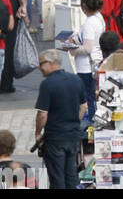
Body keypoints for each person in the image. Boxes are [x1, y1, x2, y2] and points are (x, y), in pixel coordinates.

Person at [33, 48, 87, 190]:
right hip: (73, 135)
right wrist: (75, 122)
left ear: (51, 63)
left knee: (57, 177)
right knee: (71, 175)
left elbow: (42, 114)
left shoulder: (47, 84)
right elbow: (84, 107)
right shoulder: (76, 79)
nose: (39, 68)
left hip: (55, 137)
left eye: (41, 64)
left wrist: (38, 133)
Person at [59, 0, 105, 121]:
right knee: (91, 96)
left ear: (84, 5)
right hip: (94, 62)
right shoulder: (99, 18)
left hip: (86, 66)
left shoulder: (90, 23)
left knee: (87, 98)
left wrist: (72, 50)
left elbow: (87, 48)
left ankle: (90, 123)